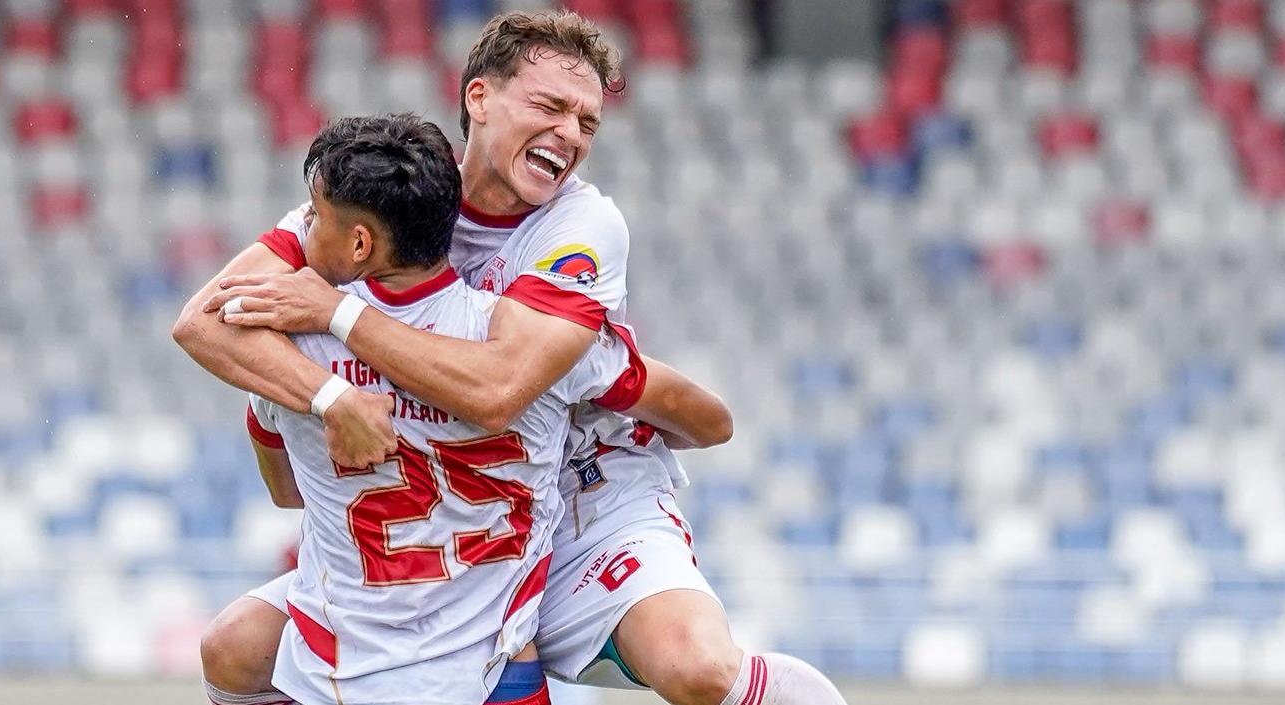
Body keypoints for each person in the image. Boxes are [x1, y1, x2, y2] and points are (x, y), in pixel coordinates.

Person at [175, 11, 845, 705]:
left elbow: (499, 388)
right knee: (234, 648)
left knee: (696, 666)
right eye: (549, 106)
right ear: (478, 98)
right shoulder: (381, 198)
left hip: (584, 498)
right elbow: (203, 319)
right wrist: (331, 397)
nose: (569, 134)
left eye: (587, 123)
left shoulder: (579, 227)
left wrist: (337, 312)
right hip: (459, 522)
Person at [205, 112, 734, 705]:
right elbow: (710, 421)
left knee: (228, 651)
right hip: (492, 673)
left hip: (344, 671)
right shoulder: (530, 348)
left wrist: (341, 410)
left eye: (313, 213)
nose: (303, 225)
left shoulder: (289, 351)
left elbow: (283, 488)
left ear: (359, 244)